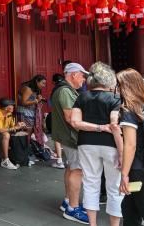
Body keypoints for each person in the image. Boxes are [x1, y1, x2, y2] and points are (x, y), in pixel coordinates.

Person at [70, 62, 122, 226]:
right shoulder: (115, 98)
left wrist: (97, 127)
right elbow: (114, 124)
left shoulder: (82, 97)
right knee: (114, 186)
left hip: (86, 143)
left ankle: (93, 224)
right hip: (111, 145)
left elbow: (75, 122)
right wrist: (122, 152)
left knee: (91, 183)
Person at [52, 62, 90, 224]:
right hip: (73, 137)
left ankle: (68, 201)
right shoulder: (65, 91)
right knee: (77, 171)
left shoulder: (64, 89)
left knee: (71, 168)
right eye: (83, 75)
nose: (84, 80)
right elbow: (70, 118)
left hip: (67, 137)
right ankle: (72, 209)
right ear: (74, 74)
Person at [118, 69, 144, 225]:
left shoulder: (128, 110)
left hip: (138, 168)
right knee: (129, 208)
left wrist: (124, 174)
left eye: (118, 85)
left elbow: (130, 145)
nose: (116, 89)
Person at [0, 98, 27, 170]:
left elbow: (13, 128)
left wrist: (19, 125)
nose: (13, 107)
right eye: (11, 105)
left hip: (1, 134)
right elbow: (0, 130)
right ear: (6, 107)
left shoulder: (9, 113)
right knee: (6, 135)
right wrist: (14, 128)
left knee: (19, 134)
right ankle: (5, 161)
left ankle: (21, 158)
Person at [49, 73, 66, 169]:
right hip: (72, 116)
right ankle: (69, 160)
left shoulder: (56, 89)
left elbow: (51, 103)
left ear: (53, 82)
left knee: (57, 138)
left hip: (58, 116)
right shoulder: (69, 87)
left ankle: (60, 161)